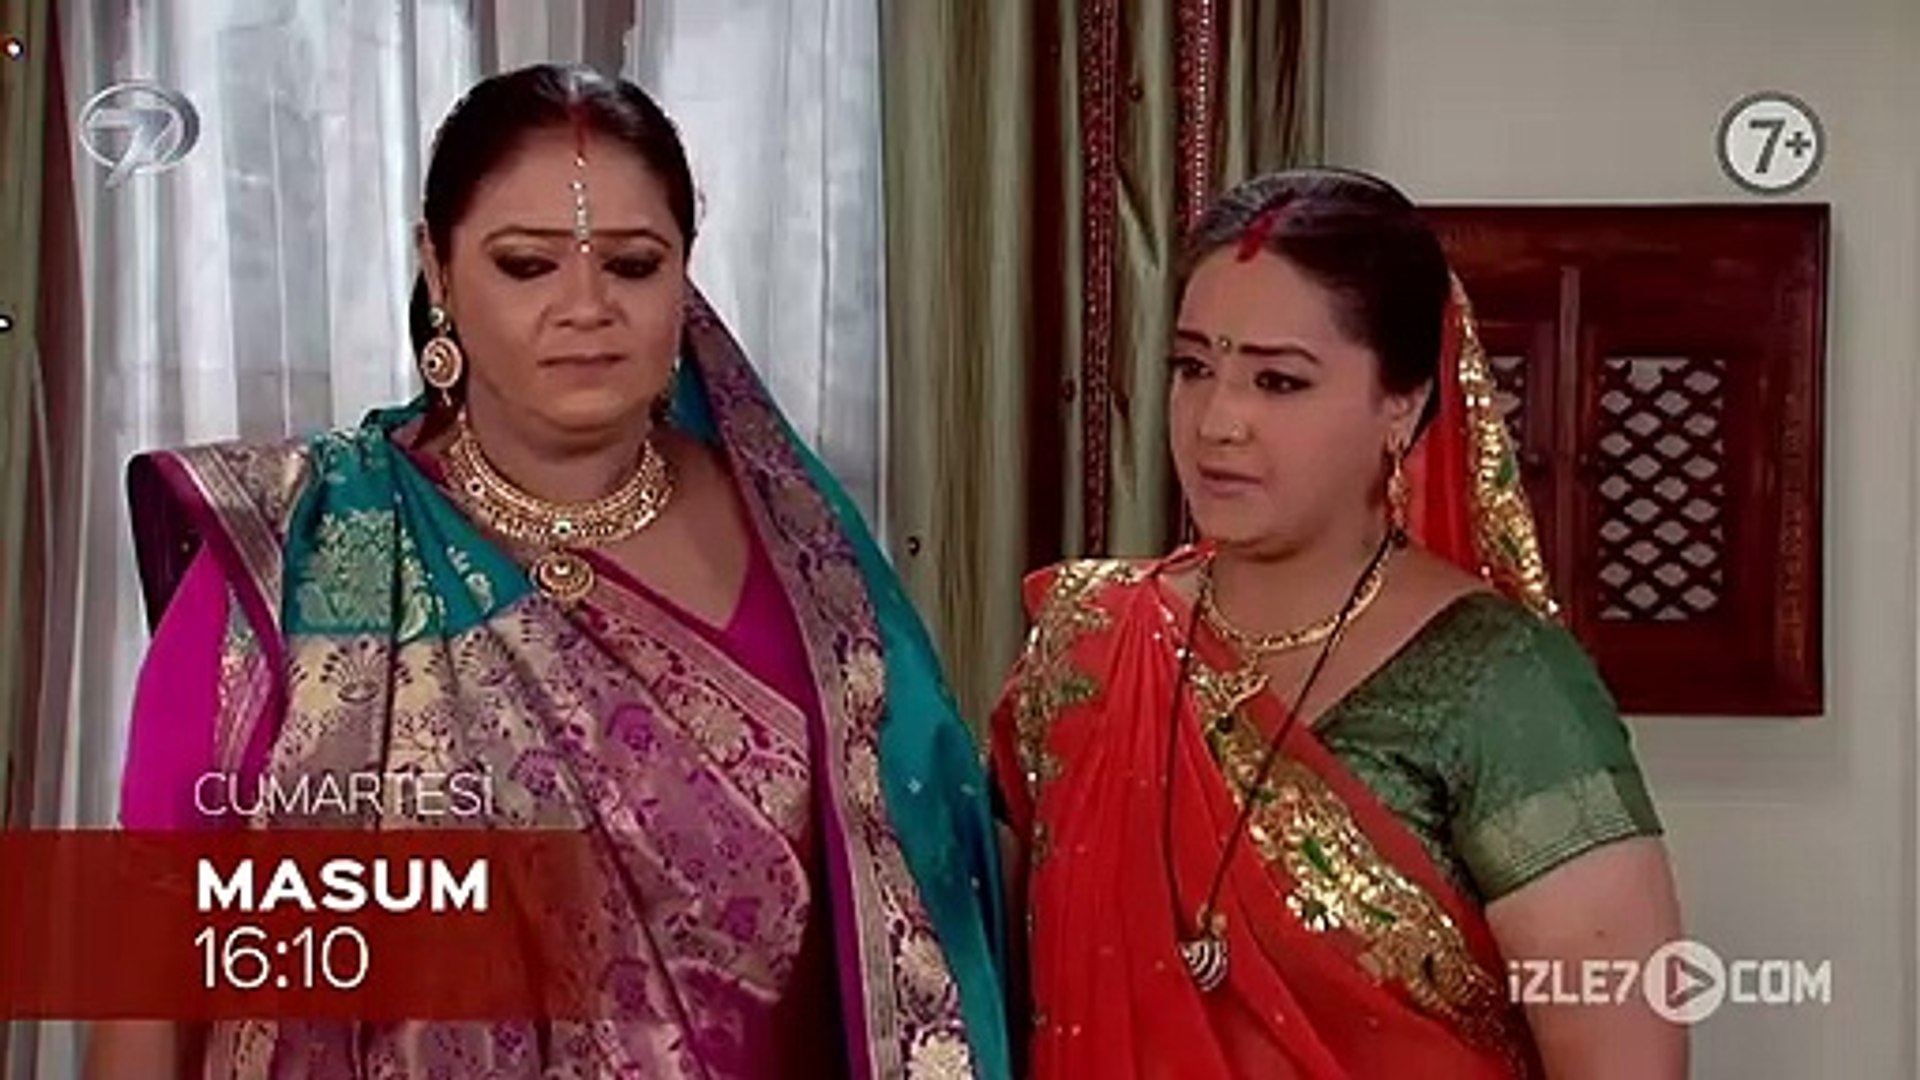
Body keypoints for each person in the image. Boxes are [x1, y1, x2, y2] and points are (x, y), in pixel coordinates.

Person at [88, 64, 1011, 1080]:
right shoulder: (306, 553)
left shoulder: (808, 565)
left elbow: (925, 934)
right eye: (527, 265)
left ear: (685, 272)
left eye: (633, 265)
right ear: (437, 269)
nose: (586, 307)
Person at [988, 168, 1686, 1078]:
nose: (1218, 422)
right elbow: (963, 980)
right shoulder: (1086, 641)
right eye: (1193, 368)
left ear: (1401, 403)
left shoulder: (1502, 686)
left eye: (1278, 381)